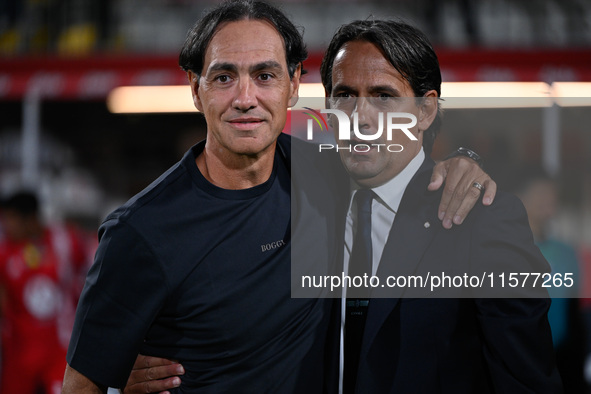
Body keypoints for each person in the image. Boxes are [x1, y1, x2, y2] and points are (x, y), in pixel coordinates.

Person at [62, 2, 494, 393]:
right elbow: (83, 385)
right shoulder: (139, 232)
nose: (245, 99)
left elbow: (397, 158)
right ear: (196, 89)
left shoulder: (329, 174)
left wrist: (462, 160)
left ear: (293, 85)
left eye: (265, 76)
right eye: (224, 77)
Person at [317, 19, 562, 393]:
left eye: (384, 96)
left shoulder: (483, 217)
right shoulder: (306, 205)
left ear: (426, 111)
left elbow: (525, 378)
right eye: (345, 95)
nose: (360, 117)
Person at [0, 191, 87, 394]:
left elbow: (93, 275)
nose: (6, 226)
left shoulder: (66, 241)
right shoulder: (5, 253)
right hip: (19, 357)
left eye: (11, 219)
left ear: (30, 219)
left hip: (60, 353)